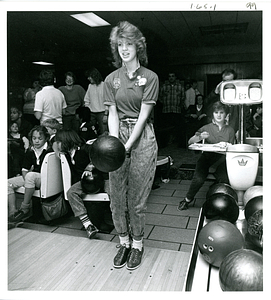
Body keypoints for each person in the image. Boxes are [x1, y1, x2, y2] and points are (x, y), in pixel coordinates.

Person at [104, 21, 159, 270]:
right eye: (120, 44)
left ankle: (137, 244)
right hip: (118, 135)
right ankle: (123, 242)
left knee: (136, 198)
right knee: (116, 197)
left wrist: (127, 145)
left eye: (129, 44)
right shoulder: (110, 80)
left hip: (142, 136)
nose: (124, 48)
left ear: (138, 46)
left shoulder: (150, 77)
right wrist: (115, 144)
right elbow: (112, 114)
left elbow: (144, 116)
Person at [177, 101, 235, 211]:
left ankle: (221, 204)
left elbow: (231, 149)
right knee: (198, 179)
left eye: (221, 112)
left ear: (226, 114)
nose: (218, 115)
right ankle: (187, 199)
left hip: (222, 159)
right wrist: (199, 137)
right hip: (207, 158)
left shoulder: (230, 130)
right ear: (212, 114)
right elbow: (190, 141)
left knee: (224, 179)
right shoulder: (206, 128)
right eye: (216, 112)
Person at [53, 129, 100, 238]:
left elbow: (98, 155)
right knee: (71, 193)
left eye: (59, 142)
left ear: (66, 141)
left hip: (97, 179)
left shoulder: (84, 149)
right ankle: (88, 225)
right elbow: (54, 145)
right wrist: (56, 150)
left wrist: (90, 166)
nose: (57, 145)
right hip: (84, 182)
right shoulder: (67, 153)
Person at [8, 125, 52, 221]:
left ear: (46, 138)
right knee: (7, 183)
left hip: (44, 178)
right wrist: (26, 179)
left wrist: (28, 177)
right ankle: (13, 211)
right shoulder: (30, 151)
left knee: (31, 175)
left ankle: (25, 207)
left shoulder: (50, 150)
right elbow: (24, 169)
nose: (36, 141)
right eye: (34, 138)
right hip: (30, 178)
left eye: (40, 139)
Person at [159, 72, 186, 147]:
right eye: (169, 76)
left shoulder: (180, 87)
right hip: (166, 110)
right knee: (165, 129)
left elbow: (183, 98)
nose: (171, 78)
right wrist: (164, 103)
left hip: (177, 111)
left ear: (175, 78)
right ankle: (164, 144)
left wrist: (179, 106)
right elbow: (159, 97)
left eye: (173, 76)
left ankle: (180, 145)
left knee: (179, 128)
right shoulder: (164, 87)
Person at [84, 68, 107, 135]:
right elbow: (86, 99)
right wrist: (88, 109)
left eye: (89, 77)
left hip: (102, 113)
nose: (88, 78)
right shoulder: (90, 86)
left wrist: (106, 113)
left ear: (94, 76)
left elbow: (108, 100)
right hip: (92, 113)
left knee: (104, 132)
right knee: (91, 132)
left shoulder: (104, 85)